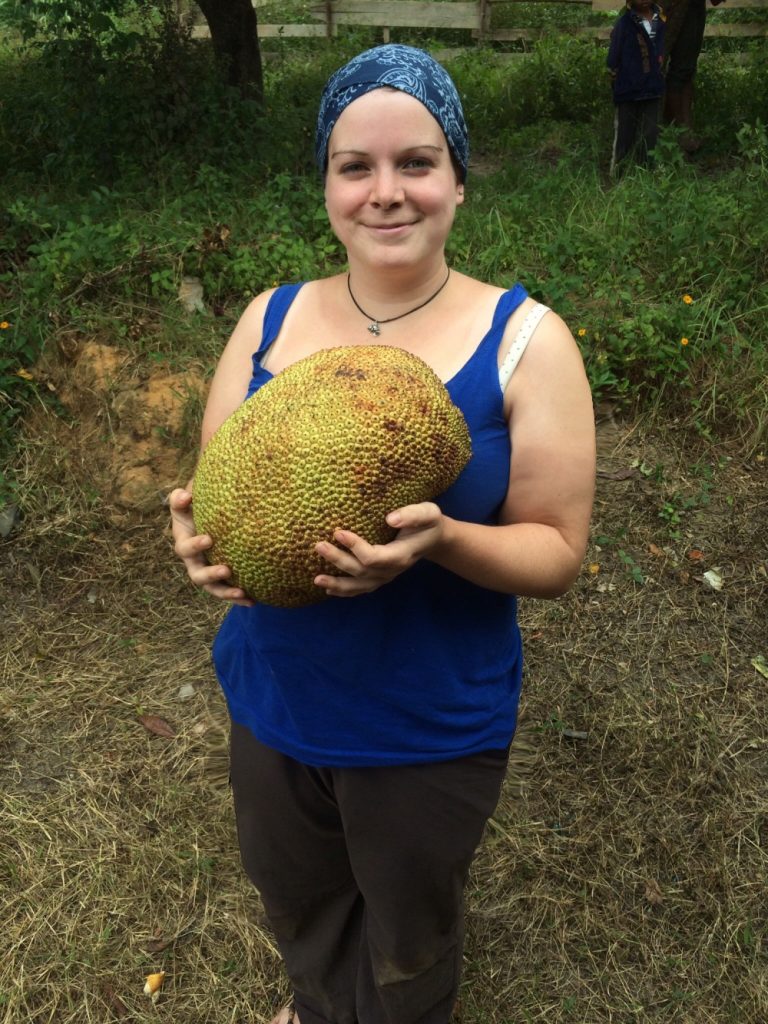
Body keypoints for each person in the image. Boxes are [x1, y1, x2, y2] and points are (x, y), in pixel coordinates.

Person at [170, 43, 596, 1024]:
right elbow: (220, 486)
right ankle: (319, 1002)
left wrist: (442, 538)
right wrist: (199, 542)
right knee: (303, 900)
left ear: (458, 180)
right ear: (326, 180)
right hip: (275, 697)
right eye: (354, 165)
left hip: (425, 723)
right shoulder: (268, 319)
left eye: (417, 162)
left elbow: (557, 551)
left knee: (409, 931)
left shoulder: (529, 340)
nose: (386, 191)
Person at [607, 0, 667, 173]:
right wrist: (614, 76)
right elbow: (613, 56)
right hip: (628, 87)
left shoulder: (660, 20)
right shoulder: (624, 24)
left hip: (652, 87)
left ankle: (649, 169)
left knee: (650, 131)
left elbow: (660, 51)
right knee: (625, 132)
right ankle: (620, 170)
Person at [662, 0, 725, 152]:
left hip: (692, 7)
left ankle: (684, 132)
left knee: (686, 69)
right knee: (660, 67)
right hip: (669, 6)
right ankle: (673, 132)